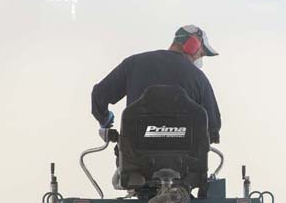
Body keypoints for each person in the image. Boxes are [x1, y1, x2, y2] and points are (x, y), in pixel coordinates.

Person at [91, 25, 221, 143]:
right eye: (201, 54)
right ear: (192, 44)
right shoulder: (199, 78)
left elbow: (99, 95)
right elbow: (213, 128)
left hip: (133, 157)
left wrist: (105, 120)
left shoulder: (134, 64)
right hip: (186, 160)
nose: (200, 59)